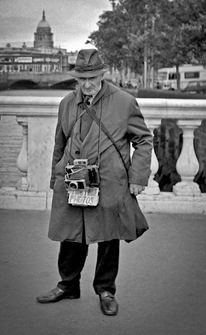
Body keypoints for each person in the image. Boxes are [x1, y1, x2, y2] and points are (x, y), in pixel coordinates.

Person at [36, 49, 153, 316]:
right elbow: (60, 143)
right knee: (71, 233)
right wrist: (56, 176)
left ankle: (105, 289)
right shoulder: (66, 103)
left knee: (109, 235)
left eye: (93, 78)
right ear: (75, 78)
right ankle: (68, 285)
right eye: (82, 79)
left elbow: (144, 140)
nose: (87, 84)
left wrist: (138, 177)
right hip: (74, 180)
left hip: (110, 180)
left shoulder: (124, 102)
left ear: (102, 74)